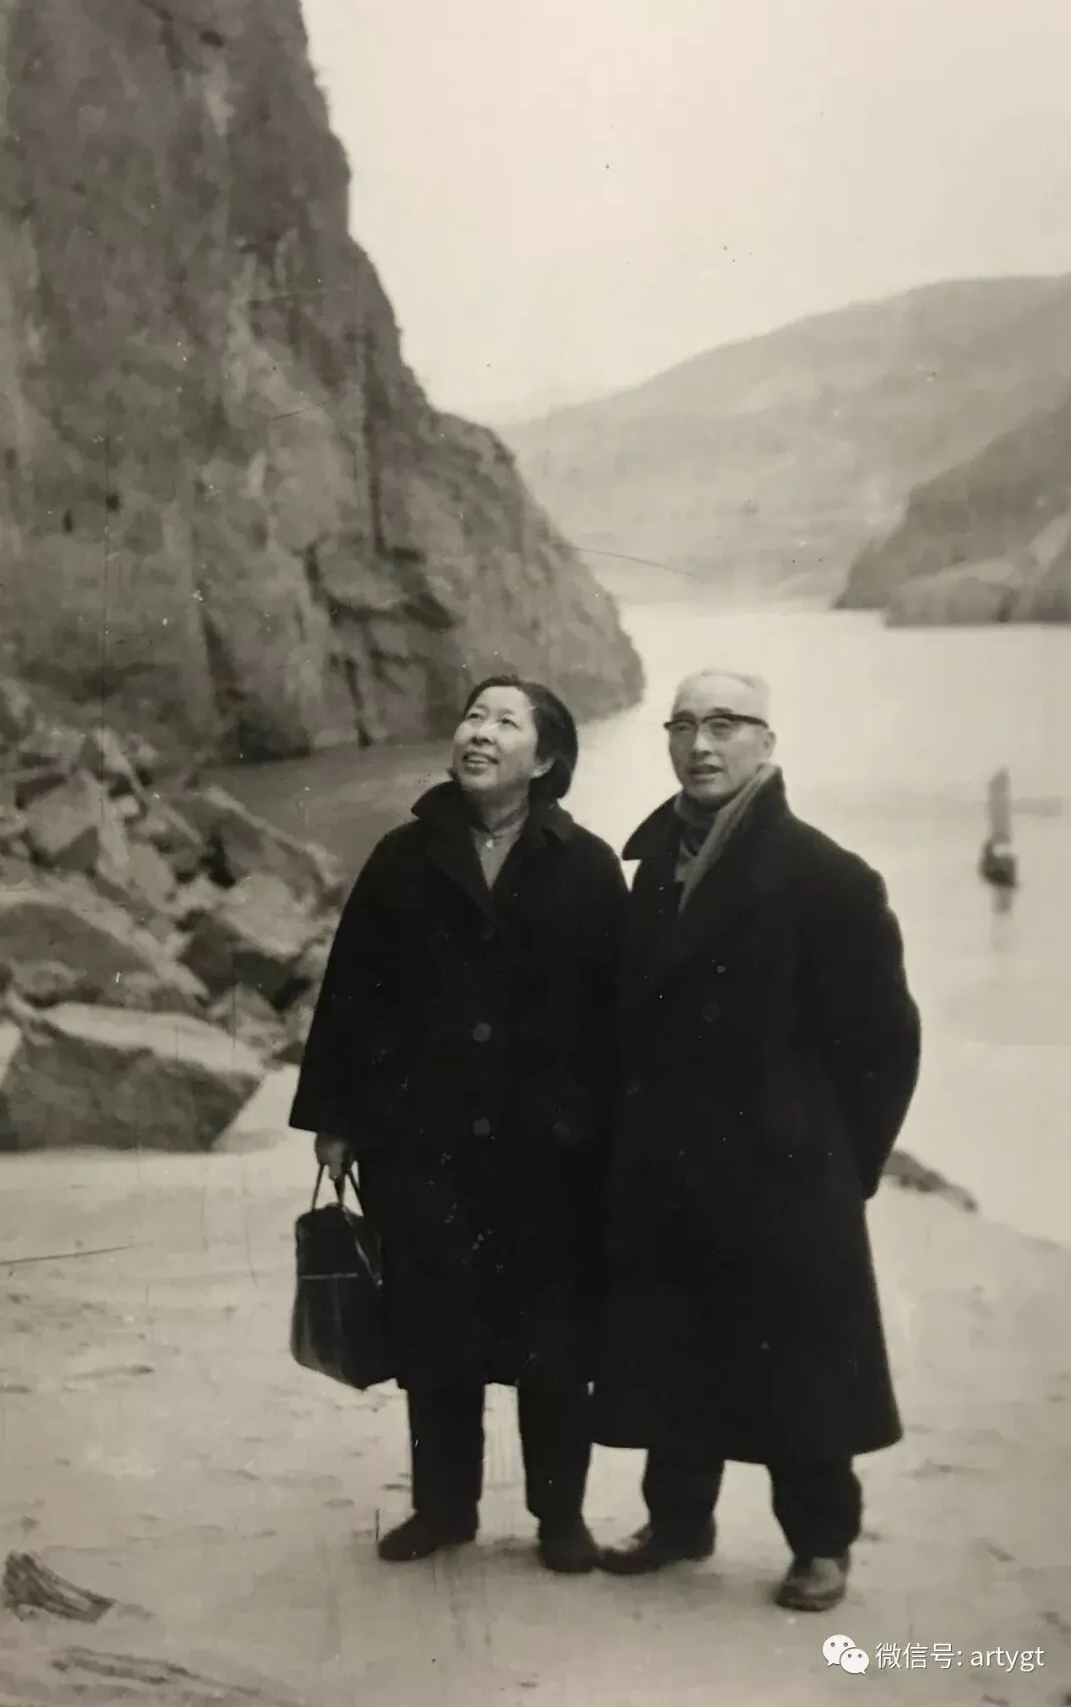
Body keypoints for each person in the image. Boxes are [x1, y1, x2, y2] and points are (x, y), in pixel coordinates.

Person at [592, 668, 921, 1611]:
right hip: (670, 1164)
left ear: (766, 744)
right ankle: (678, 1522)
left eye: (725, 725)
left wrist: (839, 1162)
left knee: (801, 1369)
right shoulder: (656, 868)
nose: (701, 745)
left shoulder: (829, 877)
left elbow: (885, 1044)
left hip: (784, 1172)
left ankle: (821, 1545)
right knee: (675, 1348)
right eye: (683, 725)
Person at [289, 675, 628, 1574]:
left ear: (545, 760)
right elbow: (351, 991)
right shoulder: (403, 856)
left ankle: (560, 1517)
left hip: (551, 1154)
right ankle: (444, 1509)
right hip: (422, 1142)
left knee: (555, 1344)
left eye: (505, 723)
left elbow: (619, 1015)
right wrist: (336, 1118)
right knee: (434, 1332)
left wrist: (613, 1133)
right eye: (473, 716)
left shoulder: (589, 865)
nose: (479, 733)